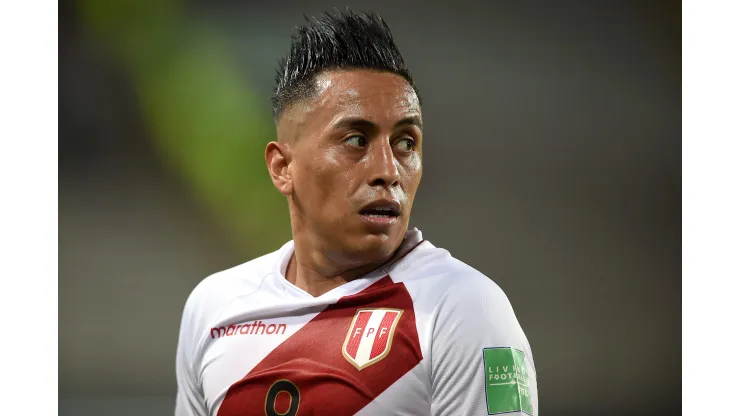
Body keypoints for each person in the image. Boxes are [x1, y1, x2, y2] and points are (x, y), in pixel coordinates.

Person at [175, 9, 538, 416]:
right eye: (355, 139)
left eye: (405, 143)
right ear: (282, 168)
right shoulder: (214, 308)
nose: (387, 171)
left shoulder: (463, 309)